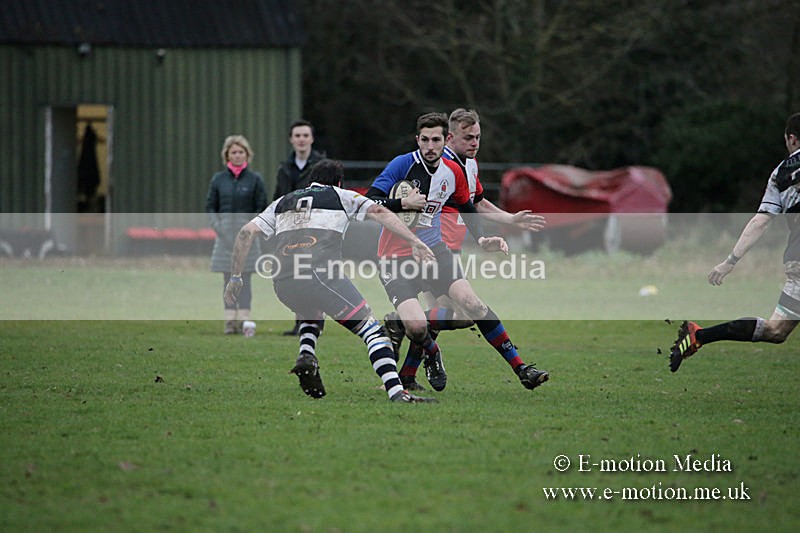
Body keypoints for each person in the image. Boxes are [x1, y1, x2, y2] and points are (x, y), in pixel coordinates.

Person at [224, 159, 437, 403]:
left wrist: (236, 278)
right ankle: (397, 392)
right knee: (372, 330)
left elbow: (245, 233)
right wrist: (415, 241)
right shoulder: (341, 195)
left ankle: (306, 354)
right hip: (319, 274)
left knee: (312, 310)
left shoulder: (283, 201)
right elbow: (379, 212)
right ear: (338, 181)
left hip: (282, 281)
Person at [367, 112, 549, 393]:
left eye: (435, 140)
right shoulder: (403, 164)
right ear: (418, 140)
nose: (430, 146)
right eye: (424, 140)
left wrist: (483, 238)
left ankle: (521, 368)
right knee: (417, 327)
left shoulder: (453, 171)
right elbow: (370, 202)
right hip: (395, 255)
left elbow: (468, 205)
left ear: (444, 141)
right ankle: (425, 347)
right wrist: (403, 201)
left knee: (471, 310)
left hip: (435, 250)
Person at [670, 112, 800, 372]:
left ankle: (699, 336)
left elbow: (760, 222)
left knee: (776, 330)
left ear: (792, 139)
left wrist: (730, 262)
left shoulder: (780, 174)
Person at [206, 134, 267, 334]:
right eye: (234, 152)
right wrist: (219, 227)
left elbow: (261, 207)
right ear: (227, 155)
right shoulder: (218, 180)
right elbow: (211, 207)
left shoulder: (255, 179)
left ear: (247, 155)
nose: (238, 155)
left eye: (241, 152)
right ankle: (229, 320)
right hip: (224, 239)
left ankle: (244, 320)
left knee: (245, 280)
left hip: (247, 239)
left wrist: (251, 230)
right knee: (227, 280)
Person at [273, 119, 327, 335]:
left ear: (311, 139)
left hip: (316, 229)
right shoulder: (284, 169)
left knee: (314, 274)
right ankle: (301, 322)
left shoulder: (322, 166)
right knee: (294, 274)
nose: (301, 139)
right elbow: (278, 199)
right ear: (291, 140)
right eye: (297, 136)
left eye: (305, 135)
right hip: (291, 230)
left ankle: (316, 320)